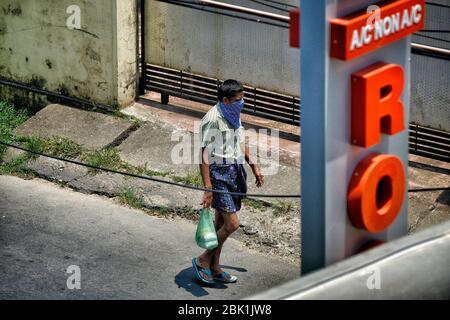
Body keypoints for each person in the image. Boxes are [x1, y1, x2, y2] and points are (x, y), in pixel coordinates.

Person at [192, 79, 264, 284]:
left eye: (242, 99)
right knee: (232, 224)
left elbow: (240, 142)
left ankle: (215, 267)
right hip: (218, 175)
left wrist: (254, 166)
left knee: (221, 223)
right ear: (225, 100)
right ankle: (203, 259)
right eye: (238, 99)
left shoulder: (233, 114)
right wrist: (208, 188)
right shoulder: (212, 119)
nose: (242, 103)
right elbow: (204, 156)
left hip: (234, 171)